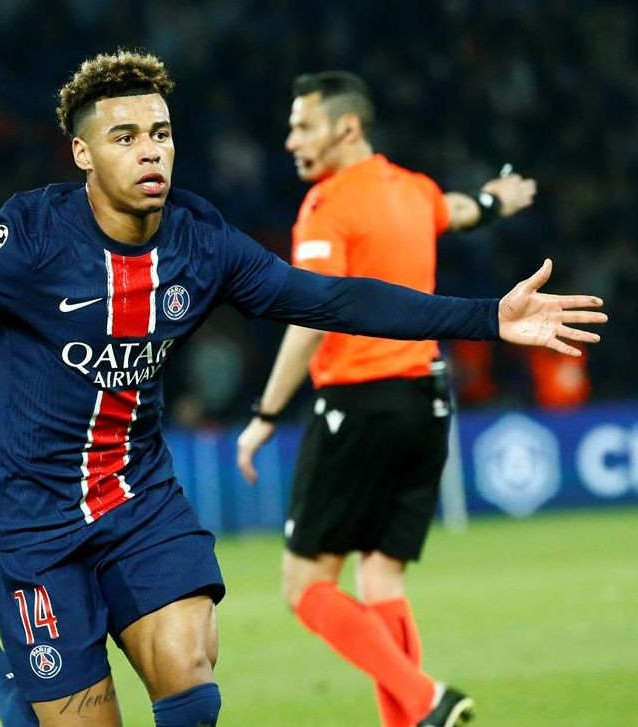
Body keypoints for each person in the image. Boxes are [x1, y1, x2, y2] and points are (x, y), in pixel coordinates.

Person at [0, 51, 605, 727]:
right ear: (82, 154)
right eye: (125, 136)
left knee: (192, 684)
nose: (151, 151)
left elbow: (330, 296)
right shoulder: (30, 238)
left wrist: (489, 316)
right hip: (27, 513)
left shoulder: (201, 240)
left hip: (135, 495)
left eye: (161, 133)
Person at [235, 71, 541, 727]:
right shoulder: (414, 189)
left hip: (359, 403)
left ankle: (427, 697)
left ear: (348, 127)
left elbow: (310, 319)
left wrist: (265, 415)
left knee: (305, 587)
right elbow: (460, 211)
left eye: (304, 126)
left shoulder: (327, 206)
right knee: (381, 579)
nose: (291, 141)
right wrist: (496, 201)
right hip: (427, 399)